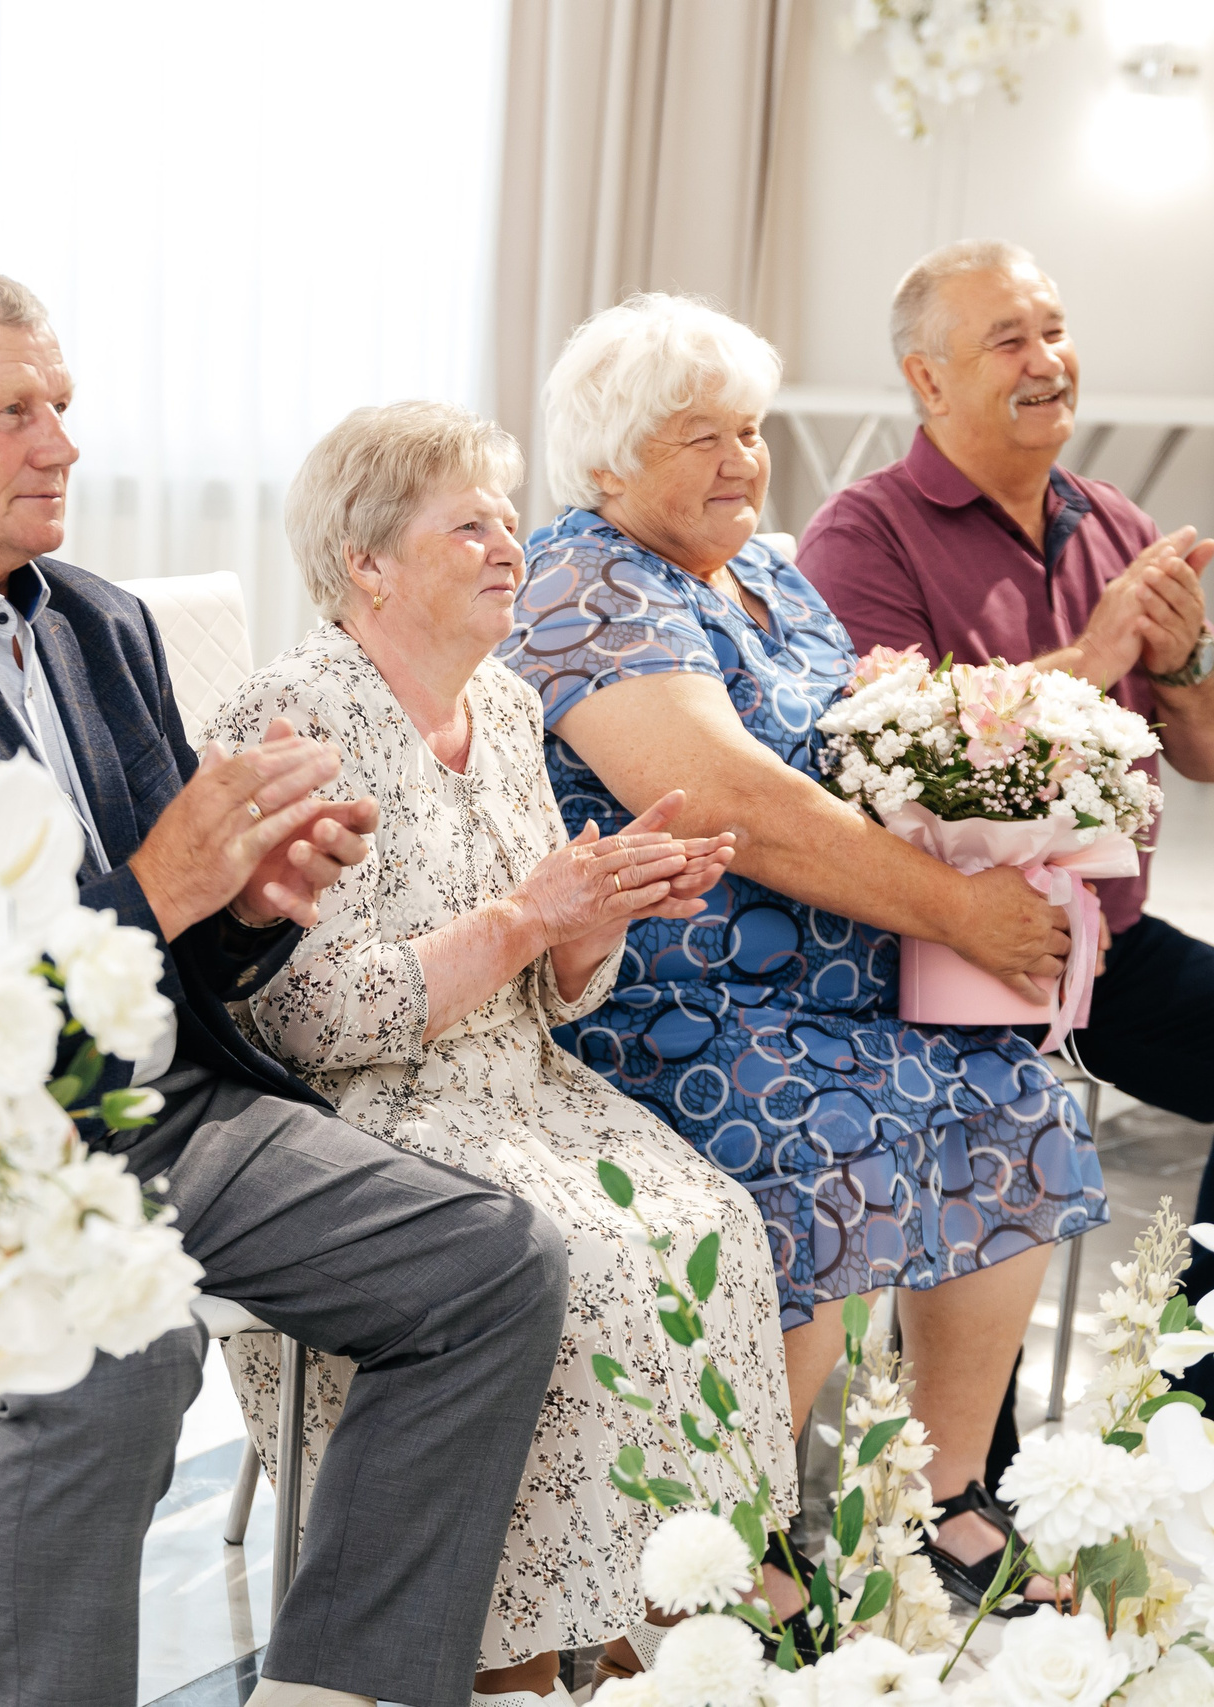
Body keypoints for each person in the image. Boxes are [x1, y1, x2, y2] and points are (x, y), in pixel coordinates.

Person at [0, 264, 569, 1707]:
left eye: (65, 405)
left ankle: (340, 1687)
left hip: (157, 1110)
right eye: (15, 410)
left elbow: (185, 934)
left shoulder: (96, 618)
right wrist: (165, 885)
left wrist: (251, 899)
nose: (62, 442)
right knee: (114, 1349)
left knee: (491, 1262)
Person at [496, 292, 1107, 1612]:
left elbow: (864, 748)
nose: (741, 461)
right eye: (698, 436)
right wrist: (954, 912)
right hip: (665, 985)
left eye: (753, 430)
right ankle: (731, 1538)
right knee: (806, 1141)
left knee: (1010, 1105)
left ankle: (939, 1497)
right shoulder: (580, 585)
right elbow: (731, 800)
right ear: (606, 462)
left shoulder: (766, 570)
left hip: (839, 970)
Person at [208, 401, 797, 1703]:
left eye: (509, 519)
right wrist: (532, 915)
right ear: (367, 561)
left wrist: (601, 913)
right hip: (359, 1110)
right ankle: (504, 1654)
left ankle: (669, 1624)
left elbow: (556, 989)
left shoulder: (511, 703)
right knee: (572, 1258)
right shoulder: (293, 714)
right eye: (467, 523)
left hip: (520, 1084)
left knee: (709, 1222)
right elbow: (298, 1014)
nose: (508, 545)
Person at [795, 240, 1214, 1485]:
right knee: (988, 1114)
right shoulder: (863, 534)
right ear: (926, 381)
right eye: (1006, 339)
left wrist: (1184, 663)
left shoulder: (1113, 519)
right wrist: (1093, 650)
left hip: (1100, 946)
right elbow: (878, 749)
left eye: (1053, 330)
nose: (1046, 360)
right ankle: (964, 1480)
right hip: (938, 946)